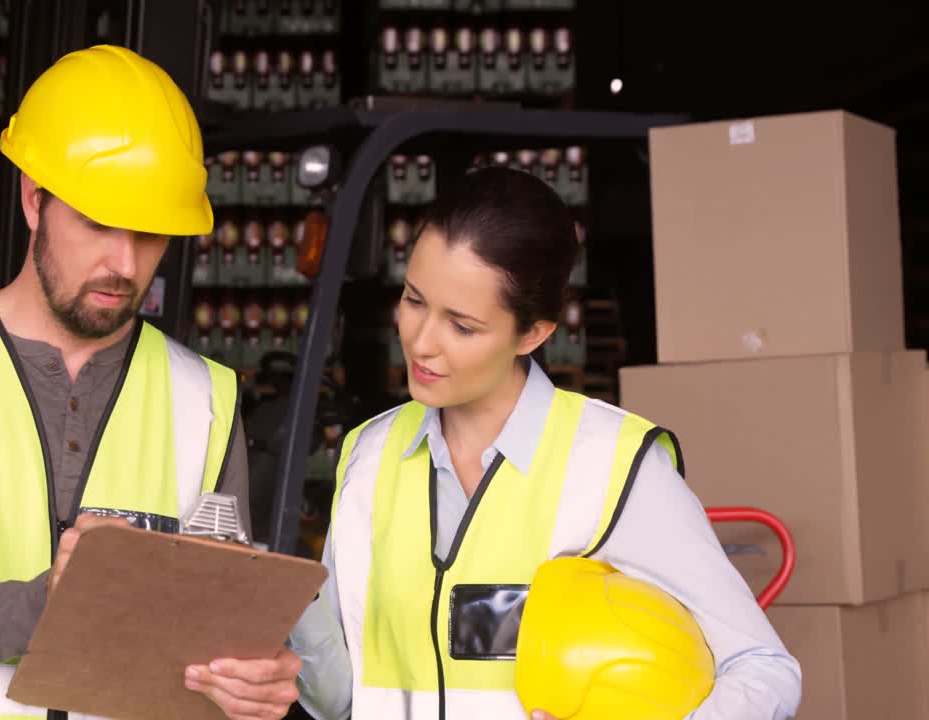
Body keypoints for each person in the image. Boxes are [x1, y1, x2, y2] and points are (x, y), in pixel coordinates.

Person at [0, 45, 301, 720]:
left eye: (151, 234)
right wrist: (39, 607)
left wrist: (248, 681)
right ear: (33, 198)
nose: (124, 264)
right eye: (99, 223)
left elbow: (212, 645)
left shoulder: (207, 402)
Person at [289, 167, 803, 719]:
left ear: (532, 333)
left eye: (461, 326)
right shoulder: (369, 455)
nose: (420, 341)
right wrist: (273, 617)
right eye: (415, 300)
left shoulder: (613, 466)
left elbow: (763, 666)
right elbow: (341, 695)